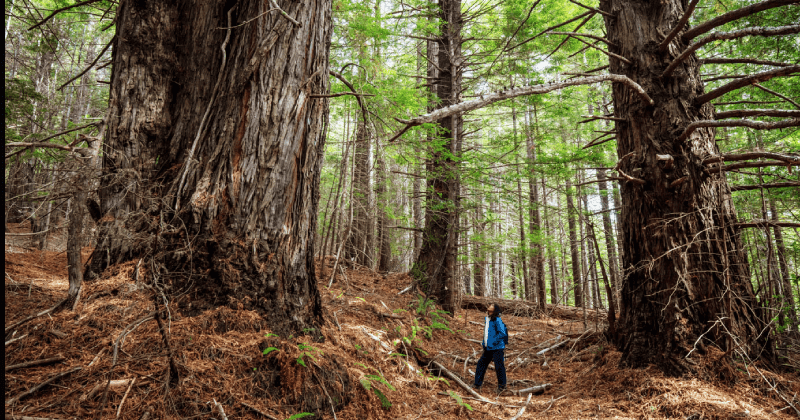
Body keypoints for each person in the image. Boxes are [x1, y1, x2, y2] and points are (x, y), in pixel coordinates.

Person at [473, 303, 508, 393]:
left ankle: (502, 387)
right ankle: (477, 385)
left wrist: (492, 342)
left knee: (499, 367)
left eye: (492, 305)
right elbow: (487, 334)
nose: (489, 305)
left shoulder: (497, 320)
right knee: (481, 364)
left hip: (497, 348)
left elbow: (502, 333)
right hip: (488, 348)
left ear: (495, 309)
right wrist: (484, 343)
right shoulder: (488, 319)